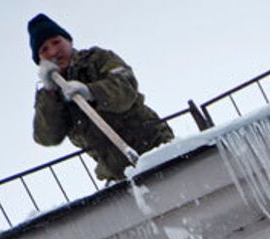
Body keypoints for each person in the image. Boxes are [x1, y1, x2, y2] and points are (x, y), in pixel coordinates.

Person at [29, 14, 174, 182]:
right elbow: (47, 137)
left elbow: (126, 88)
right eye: (44, 49)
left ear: (68, 41)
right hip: (118, 176)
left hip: (157, 149)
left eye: (56, 42)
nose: (53, 51)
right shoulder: (48, 97)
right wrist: (50, 93)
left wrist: (91, 92)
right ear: (40, 59)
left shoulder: (98, 58)